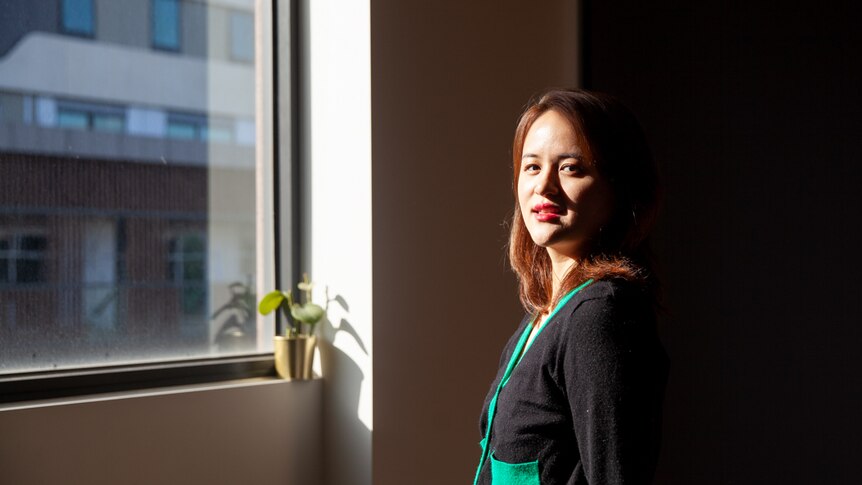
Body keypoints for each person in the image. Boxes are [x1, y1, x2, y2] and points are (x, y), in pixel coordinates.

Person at [474, 89, 668, 485]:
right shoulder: (540, 321)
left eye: (571, 168)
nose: (544, 187)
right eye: (531, 167)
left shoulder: (599, 315)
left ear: (620, 189)